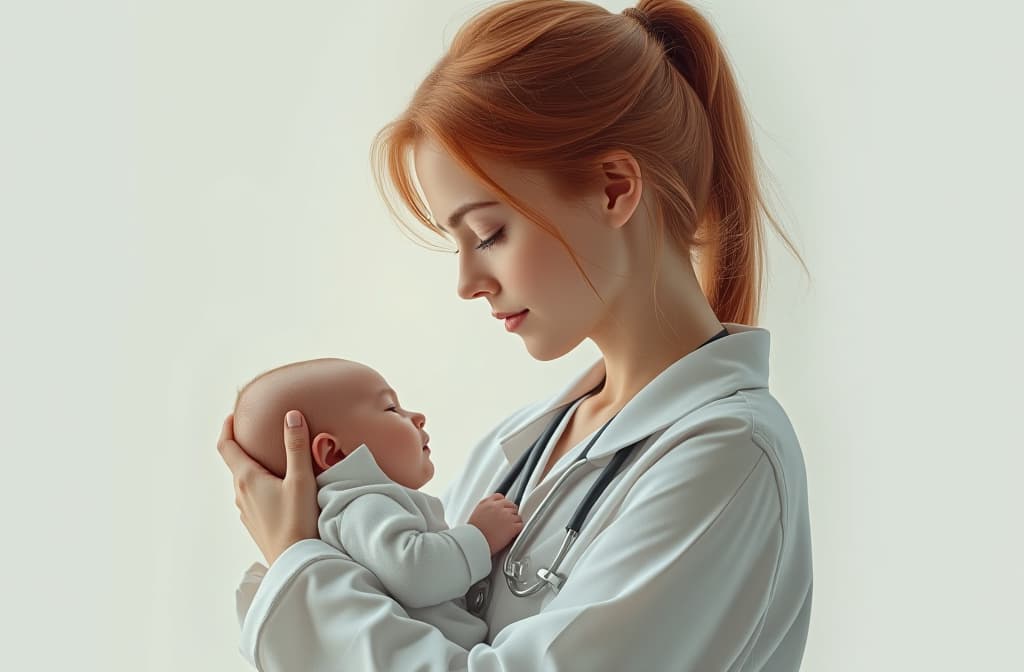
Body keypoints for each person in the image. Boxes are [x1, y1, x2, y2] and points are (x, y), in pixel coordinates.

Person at [217, 0, 813, 669]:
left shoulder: (727, 458)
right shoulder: (519, 449)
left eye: (489, 234)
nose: (469, 282)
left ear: (614, 189)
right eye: (459, 246)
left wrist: (298, 565)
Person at [230, 358, 524, 650]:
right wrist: (480, 537)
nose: (417, 416)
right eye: (391, 408)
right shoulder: (361, 506)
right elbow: (414, 573)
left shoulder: (354, 512)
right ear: (334, 454)